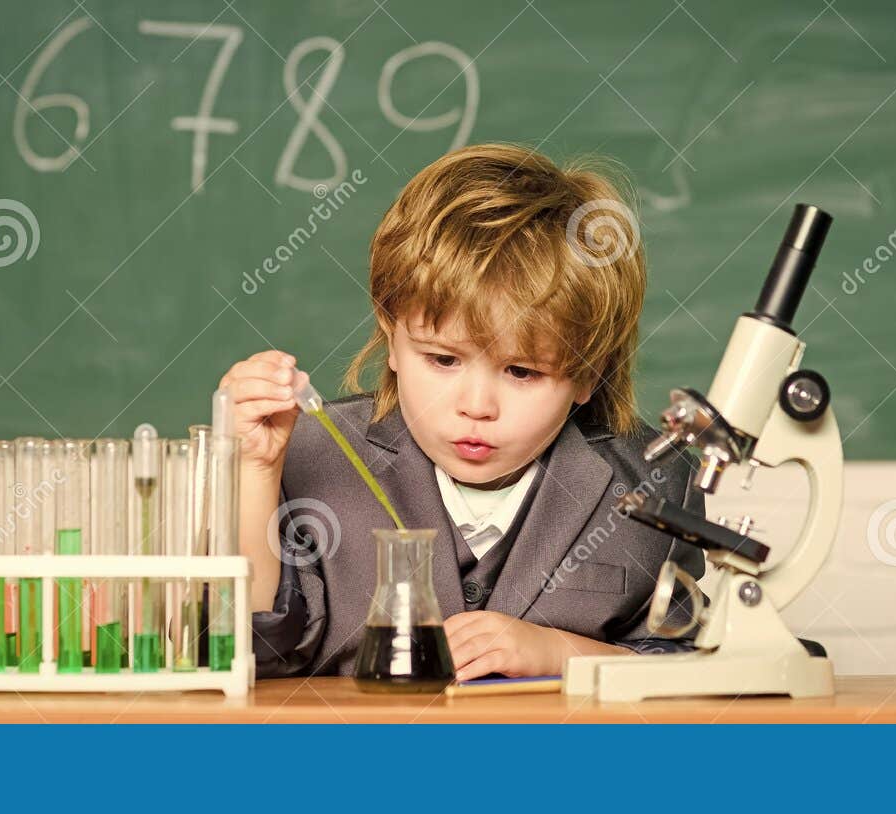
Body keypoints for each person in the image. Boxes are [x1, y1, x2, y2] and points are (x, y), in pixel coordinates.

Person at [220, 143, 703, 681]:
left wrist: (558, 653)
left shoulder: (653, 482)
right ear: (392, 334)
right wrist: (256, 474)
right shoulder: (310, 453)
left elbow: (700, 669)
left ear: (588, 372)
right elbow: (255, 648)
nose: (476, 407)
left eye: (522, 372)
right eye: (443, 359)